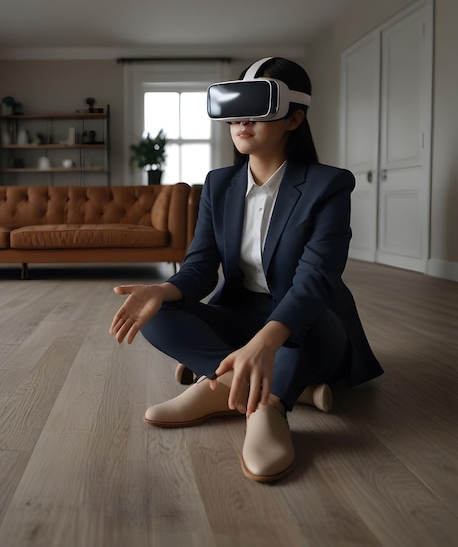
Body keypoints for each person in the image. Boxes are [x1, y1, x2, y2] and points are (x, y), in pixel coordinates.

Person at [109, 57, 383, 482]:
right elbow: (200, 269)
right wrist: (162, 292)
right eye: (236, 111)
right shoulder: (219, 184)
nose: (243, 123)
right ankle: (247, 387)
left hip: (305, 319)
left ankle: (255, 402)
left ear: (294, 117)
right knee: (156, 314)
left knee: (307, 330)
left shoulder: (329, 185)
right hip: (239, 313)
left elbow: (315, 282)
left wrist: (267, 340)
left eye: (259, 110)